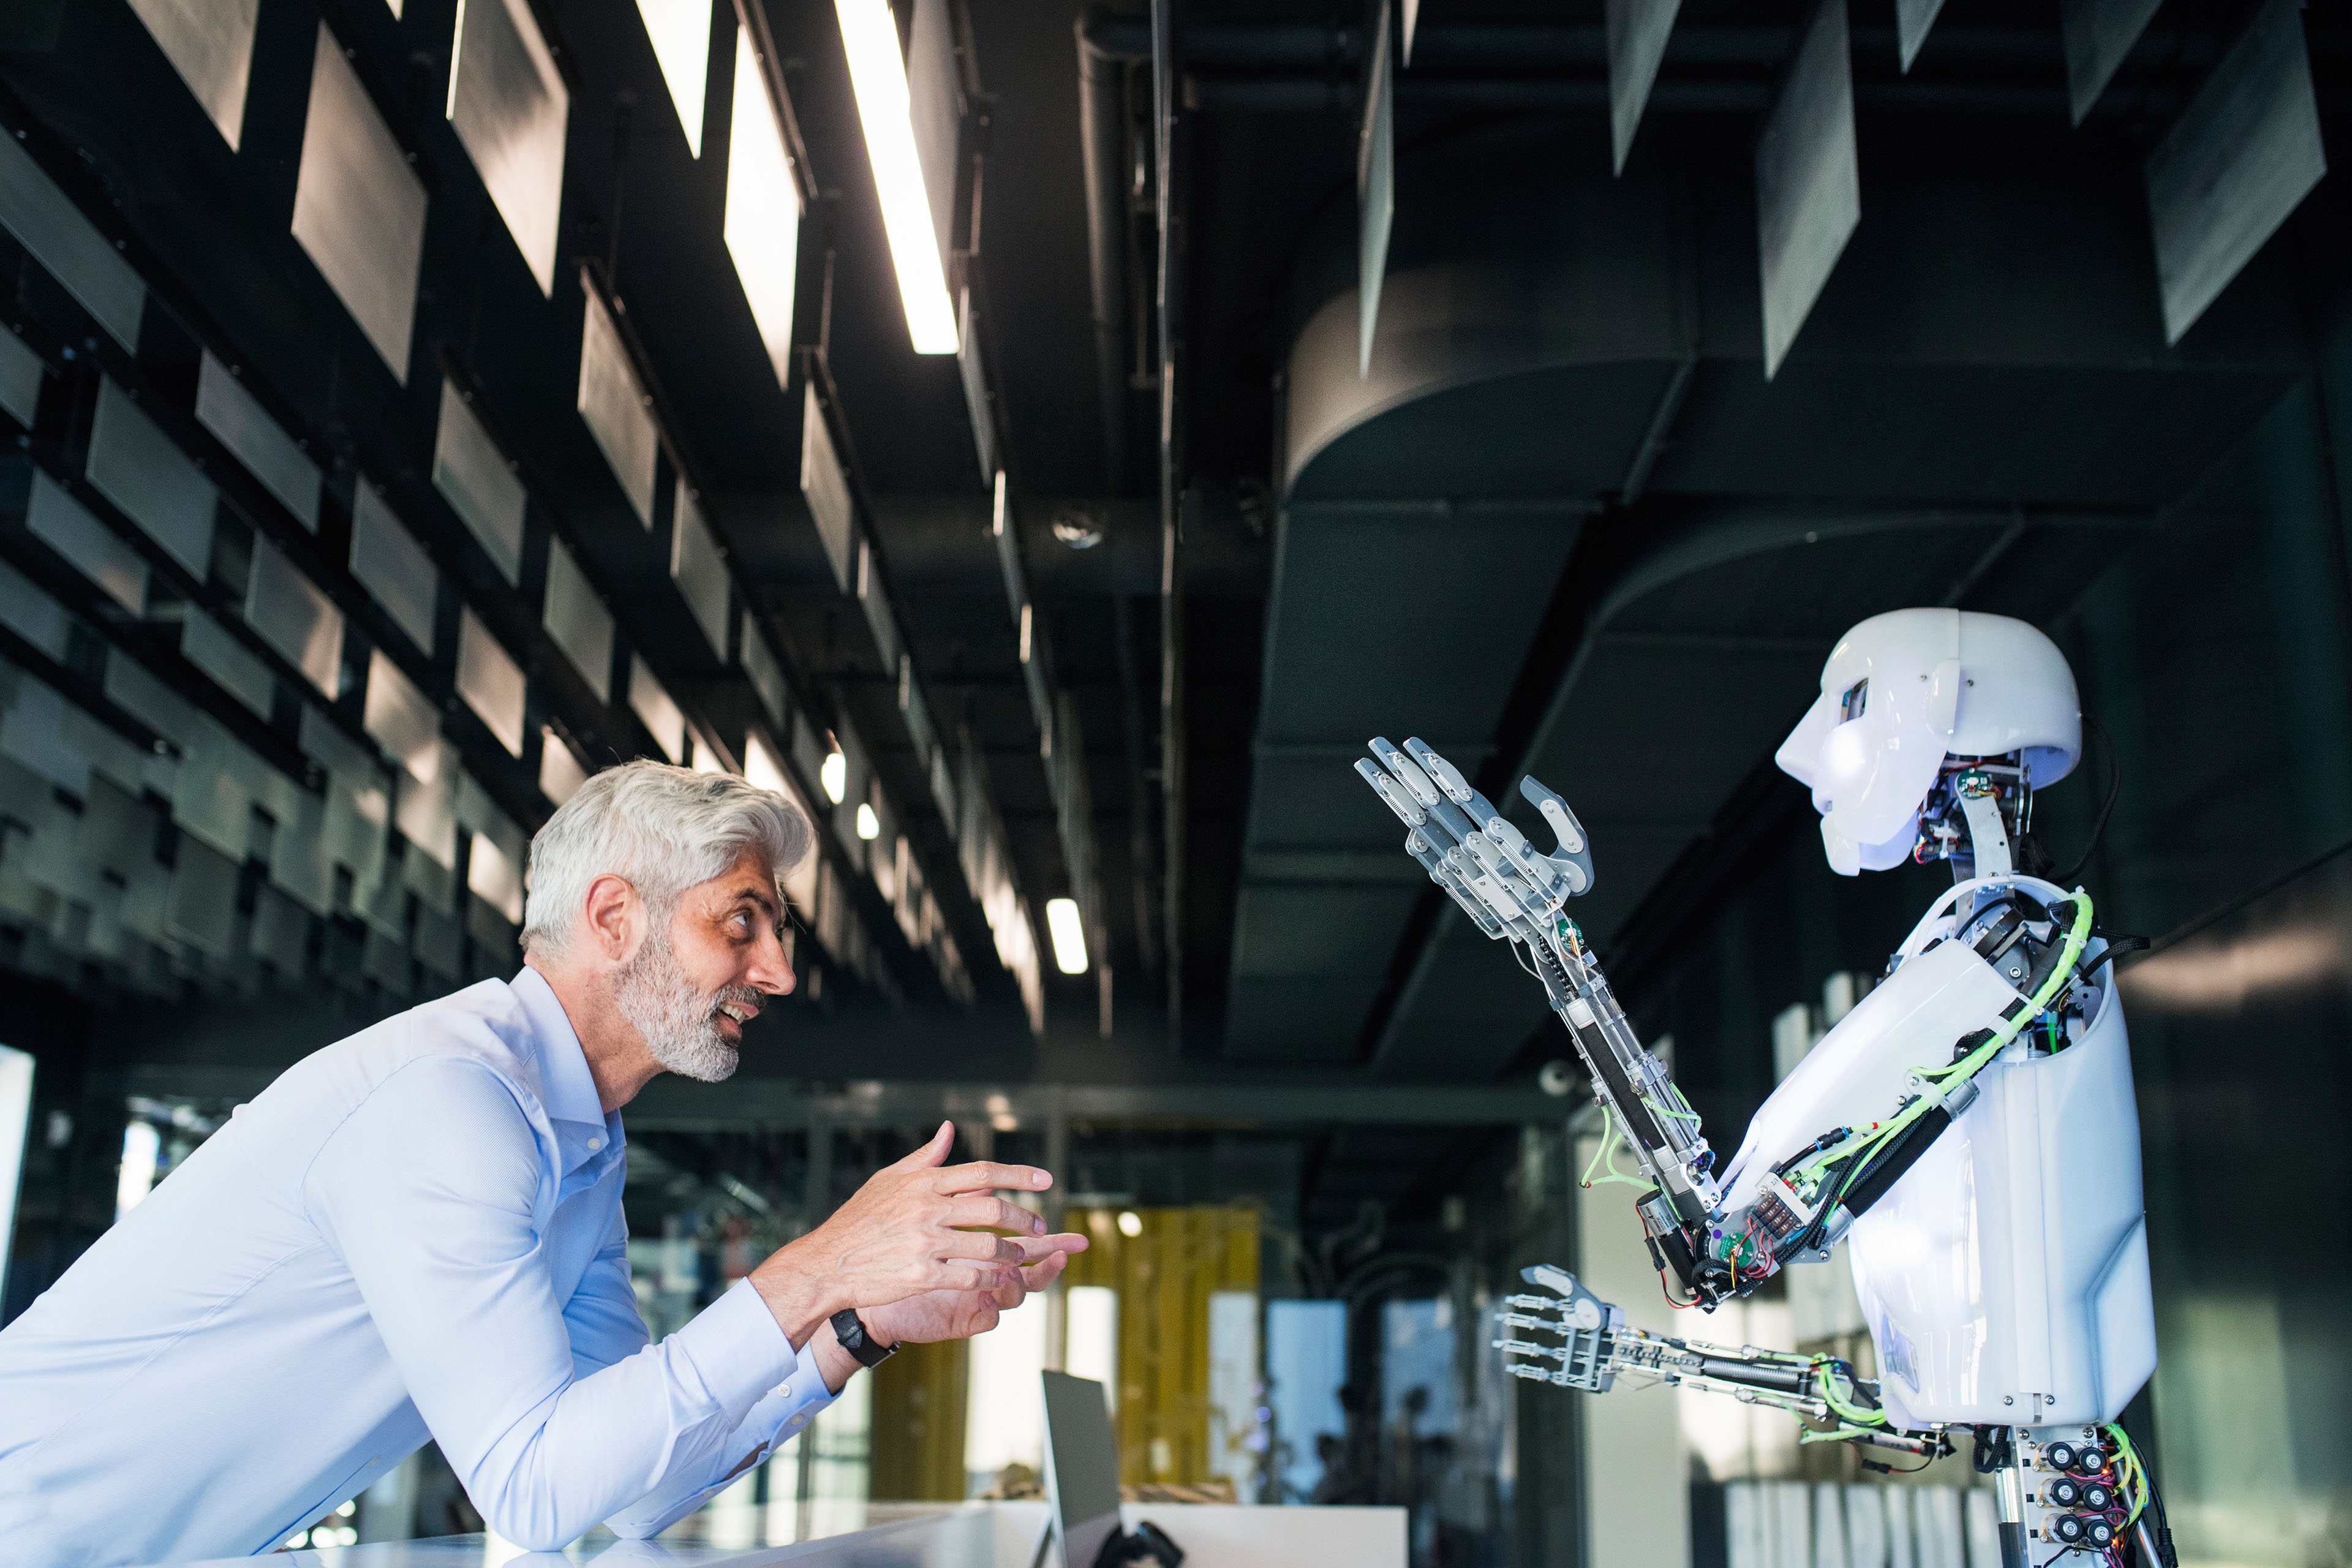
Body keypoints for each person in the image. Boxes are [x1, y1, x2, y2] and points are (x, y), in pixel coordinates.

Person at [0, 761, 1087, 1564]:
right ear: (614, 917)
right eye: (743, 921)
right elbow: (531, 1487)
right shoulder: (452, 1102)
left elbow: (633, 1486)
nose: (781, 971)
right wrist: (816, 1267)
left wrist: (856, 1328)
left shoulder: (576, 1146)